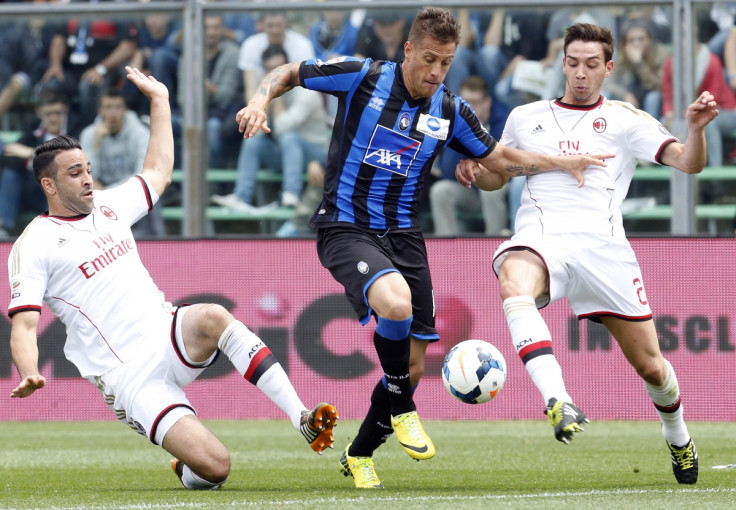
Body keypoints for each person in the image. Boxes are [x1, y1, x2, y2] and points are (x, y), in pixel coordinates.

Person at [235, 7, 611, 489]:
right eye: (429, 59)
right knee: (395, 303)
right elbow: (287, 72)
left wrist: (560, 162)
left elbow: (498, 158)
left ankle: (359, 453)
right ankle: (403, 410)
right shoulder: (361, 76)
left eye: (446, 63)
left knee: (412, 366)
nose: (436, 72)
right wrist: (259, 100)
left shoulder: (449, 110)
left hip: (405, 237)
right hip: (345, 226)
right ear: (409, 50)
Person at [6, 66, 338, 491]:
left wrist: (160, 100)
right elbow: (24, 325)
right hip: (130, 376)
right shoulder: (34, 243)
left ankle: (302, 419)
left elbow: (159, 171)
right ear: (48, 185)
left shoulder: (108, 206)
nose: (87, 178)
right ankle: (187, 466)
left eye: (87, 168)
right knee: (216, 468)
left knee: (215, 316)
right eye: (74, 173)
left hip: (166, 332)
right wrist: (30, 370)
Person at [456, 23, 718, 485]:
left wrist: (694, 129)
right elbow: (503, 174)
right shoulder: (525, 116)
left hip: (604, 250)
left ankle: (678, 438)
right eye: (573, 63)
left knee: (652, 367)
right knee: (512, 281)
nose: (580, 73)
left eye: (591, 65)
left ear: (608, 68)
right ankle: (558, 399)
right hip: (542, 236)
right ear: (562, 63)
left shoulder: (625, 119)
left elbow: (689, 163)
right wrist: (480, 170)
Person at [214, 44, 330, 211]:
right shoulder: (264, 93)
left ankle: (291, 194)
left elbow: (283, 128)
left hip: (315, 157)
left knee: (289, 137)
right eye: (269, 69)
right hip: (285, 154)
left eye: (278, 68)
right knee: (252, 141)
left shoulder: (307, 92)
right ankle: (241, 196)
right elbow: (259, 132)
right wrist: (266, 100)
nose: (274, 74)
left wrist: (277, 95)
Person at [429, 75, 510, 236]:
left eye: (475, 102)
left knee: (490, 191)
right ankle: (447, 252)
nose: (469, 107)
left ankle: (494, 248)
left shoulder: (503, 121)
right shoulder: (455, 119)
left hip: (499, 188)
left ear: (487, 102)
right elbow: (447, 171)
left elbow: (502, 167)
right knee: (440, 191)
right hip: (471, 191)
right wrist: (461, 131)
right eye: (464, 101)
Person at [78, 88, 165, 237]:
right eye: (108, 107)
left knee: (151, 195)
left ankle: (160, 244)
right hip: (99, 195)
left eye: (118, 107)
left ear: (125, 110)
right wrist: (96, 145)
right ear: (100, 110)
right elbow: (86, 176)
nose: (113, 113)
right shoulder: (89, 134)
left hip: (130, 193)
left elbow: (142, 174)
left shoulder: (140, 134)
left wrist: (109, 194)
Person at [0, 90, 73, 238]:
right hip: (32, 188)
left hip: (62, 190)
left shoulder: (76, 127)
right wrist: (31, 158)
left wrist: (31, 154)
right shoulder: (34, 127)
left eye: (58, 113)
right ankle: (4, 228)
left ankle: (59, 232)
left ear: (66, 110)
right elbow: (10, 156)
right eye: (48, 114)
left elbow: (67, 163)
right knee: (10, 173)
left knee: (54, 180)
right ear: (39, 112)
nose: (53, 118)